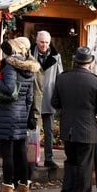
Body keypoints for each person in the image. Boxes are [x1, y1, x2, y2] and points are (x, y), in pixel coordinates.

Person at [52, 46, 97, 192]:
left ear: (75, 60)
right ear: (90, 62)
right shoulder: (95, 81)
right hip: (86, 129)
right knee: (85, 165)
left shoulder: (63, 78)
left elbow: (55, 103)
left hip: (67, 127)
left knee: (71, 161)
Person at [0, 37, 39, 192]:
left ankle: (7, 191)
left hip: (7, 115)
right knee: (21, 153)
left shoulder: (10, 67)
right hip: (20, 115)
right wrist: (25, 115)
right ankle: (23, 189)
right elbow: (30, 97)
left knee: (8, 154)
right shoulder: (30, 68)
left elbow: (9, 89)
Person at [34, 31, 64, 170]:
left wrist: (59, 97)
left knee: (49, 130)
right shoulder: (29, 55)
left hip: (49, 97)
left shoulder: (56, 56)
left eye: (46, 42)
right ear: (36, 41)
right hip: (33, 97)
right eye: (42, 42)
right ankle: (32, 158)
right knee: (33, 130)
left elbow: (60, 77)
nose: (44, 45)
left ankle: (49, 158)